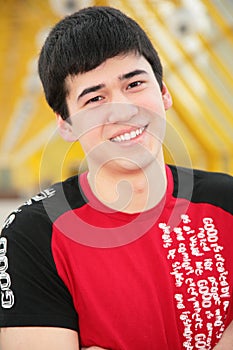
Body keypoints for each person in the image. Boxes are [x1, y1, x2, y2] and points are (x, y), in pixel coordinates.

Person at [0, 6, 233, 350]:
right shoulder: (34, 236)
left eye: (135, 84)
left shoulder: (226, 202)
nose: (123, 110)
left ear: (164, 92)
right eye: (95, 98)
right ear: (65, 124)